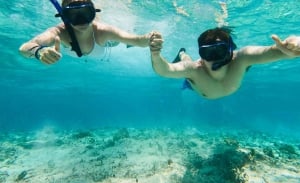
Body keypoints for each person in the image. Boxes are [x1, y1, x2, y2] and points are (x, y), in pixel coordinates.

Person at [149, 27, 300, 99]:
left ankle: (184, 54)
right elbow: (165, 70)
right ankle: (182, 53)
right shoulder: (195, 69)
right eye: (207, 53)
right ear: (201, 56)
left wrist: (290, 46)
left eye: (219, 51)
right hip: (194, 84)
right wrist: (155, 55)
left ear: (230, 51)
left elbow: (271, 51)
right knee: (187, 62)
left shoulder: (242, 58)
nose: (214, 58)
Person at [19, 0, 153, 65]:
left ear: (94, 13)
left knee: (121, 41)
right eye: (73, 15)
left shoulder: (102, 30)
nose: (82, 21)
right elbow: (24, 47)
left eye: (85, 13)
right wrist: (39, 51)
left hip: (107, 43)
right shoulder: (59, 32)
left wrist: (149, 38)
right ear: (64, 16)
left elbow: (138, 40)